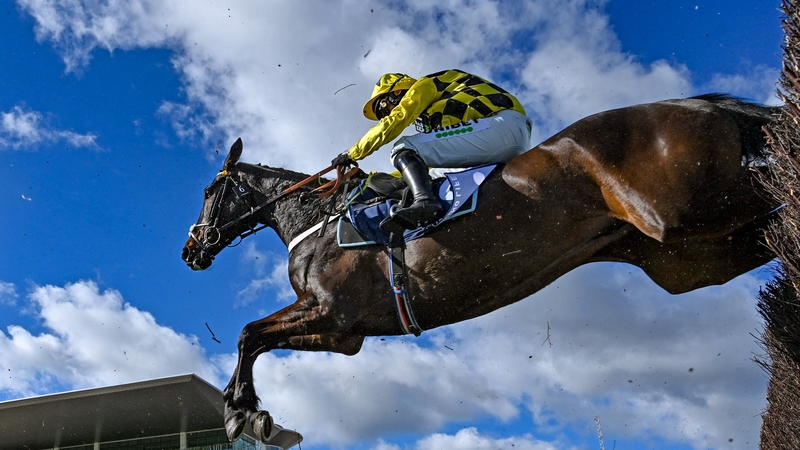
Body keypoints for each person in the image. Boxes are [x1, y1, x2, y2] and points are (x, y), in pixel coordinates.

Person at [331, 69, 532, 230]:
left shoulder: (424, 85)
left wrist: (352, 153)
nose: (385, 115)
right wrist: (372, 179)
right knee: (428, 175)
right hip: (494, 140)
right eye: (382, 114)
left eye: (383, 106)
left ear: (398, 91)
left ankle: (425, 203)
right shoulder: (435, 118)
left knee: (404, 146)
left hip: (501, 124)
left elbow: (398, 119)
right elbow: (421, 168)